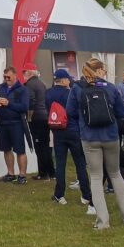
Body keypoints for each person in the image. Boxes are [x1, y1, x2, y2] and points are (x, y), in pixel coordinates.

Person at [65, 58, 124, 230]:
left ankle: (103, 221)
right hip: (110, 136)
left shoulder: (77, 89)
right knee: (116, 174)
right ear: (100, 70)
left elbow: (70, 112)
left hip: (89, 137)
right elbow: (122, 112)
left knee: (96, 177)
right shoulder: (110, 88)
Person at [45, 69, 91, 206]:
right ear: (64, 80)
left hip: (58, 131)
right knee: (80, 163)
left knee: (60, 164)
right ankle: (86, 195)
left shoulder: (48, 93)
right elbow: (78, 111)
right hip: (73, 130)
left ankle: (59, 195)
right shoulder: (71, 92)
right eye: (68, 79)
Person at [0, 66, 30, 184]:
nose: (6, 79)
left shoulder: (22, 89)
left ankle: (22, 175)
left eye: (8, 77)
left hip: (16, 123)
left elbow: (24, 107)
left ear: (15, 76)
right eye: (4, 77)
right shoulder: (1, 86)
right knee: (6, 149)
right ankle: (10, 173)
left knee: (20, 150)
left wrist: (9, 103)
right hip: (3, 123)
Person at [23, 64, 54, 180]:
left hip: (36, 118)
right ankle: (51, 172)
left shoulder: (30, 85)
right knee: (46, 145)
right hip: (44, 116)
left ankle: (43, 173)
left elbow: (31, 101)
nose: (23, 75)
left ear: (29, 73)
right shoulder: (41, 83)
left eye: (25, 72)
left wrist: (29, 117)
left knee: (39, 146)